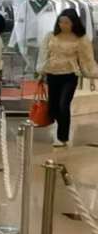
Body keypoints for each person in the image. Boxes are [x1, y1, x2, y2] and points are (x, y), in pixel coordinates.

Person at [36, 8, 98, 147]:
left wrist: (92, 74)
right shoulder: (51, 36)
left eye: (66, 22)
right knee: (53, 107)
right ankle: (60, 127)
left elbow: (87, 59)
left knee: (64, 105)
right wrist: (41, 72)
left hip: (70, 75)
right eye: (61, 22)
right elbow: (44, 55)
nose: (63, 25)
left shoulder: (81, 39)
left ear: (73, 23)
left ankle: (62, 137)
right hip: (52, 74)